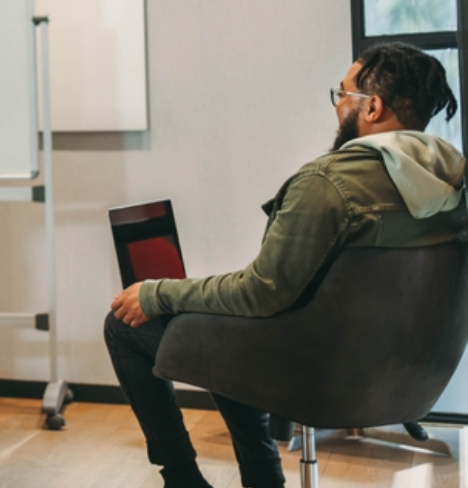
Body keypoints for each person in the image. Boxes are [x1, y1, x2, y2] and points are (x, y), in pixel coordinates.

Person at [105, 42, 467, 488]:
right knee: (219, 326)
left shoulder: (331, 181)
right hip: (407, 376)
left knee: (126, 324)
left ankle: (182, 479)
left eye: (342, 94)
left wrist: (154, 292)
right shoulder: (452, 183)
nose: (336, 106)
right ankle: (262, 480)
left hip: (318, 373)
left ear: (372, 107)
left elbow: (262, 292)